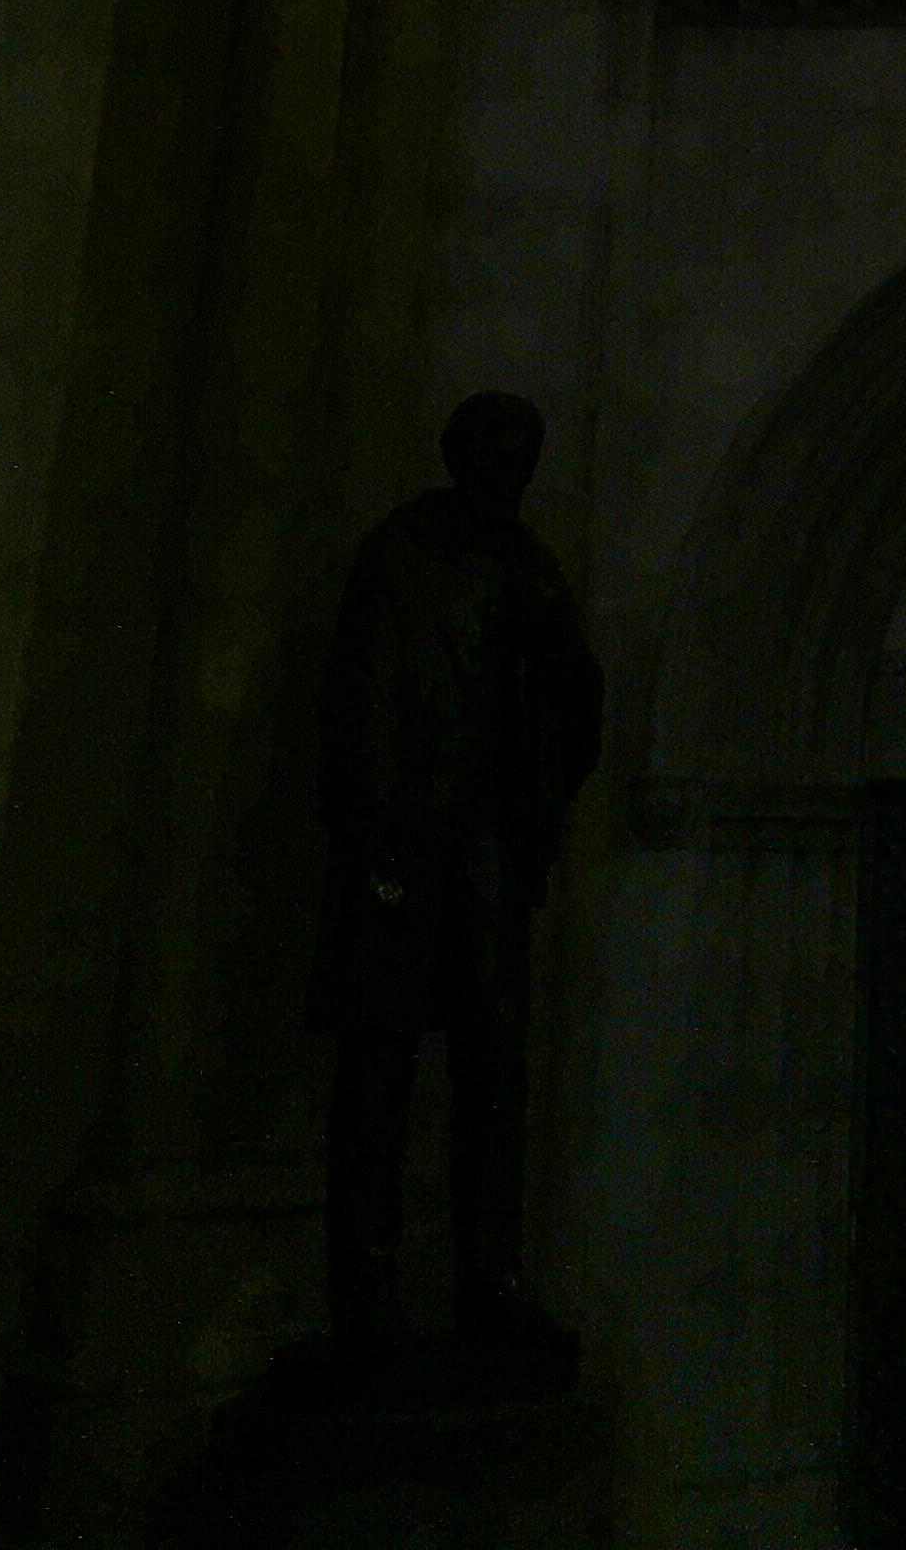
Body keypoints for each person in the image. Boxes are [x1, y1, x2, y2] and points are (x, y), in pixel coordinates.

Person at [310, 390, 603, 1365]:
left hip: (487, 838)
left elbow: (575, 707)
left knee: (496, 1059)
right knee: (381, 1061)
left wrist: (556, 640)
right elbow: (363, 700)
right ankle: (365, 1290)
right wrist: (375, 838)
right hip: (405, 835)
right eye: (495, 455)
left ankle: (492, 1279)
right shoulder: (403, 554)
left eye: (524, 458)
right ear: (459, 455)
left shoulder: (531, 567)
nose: (508, 476)